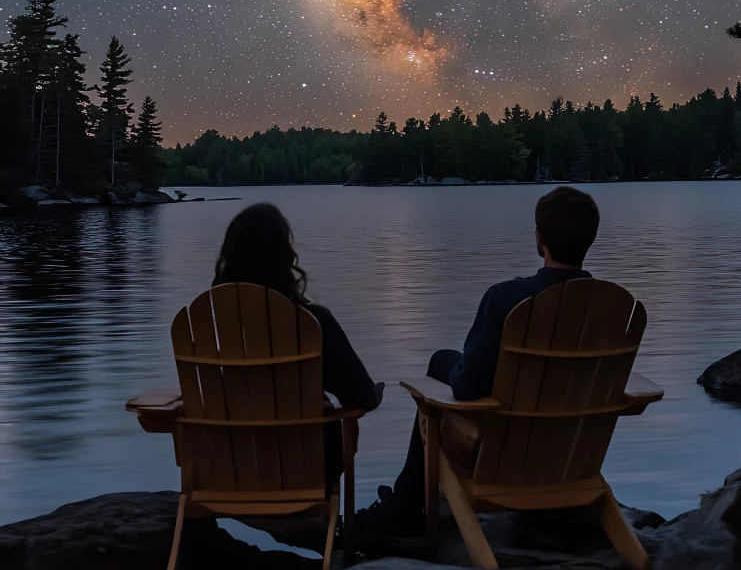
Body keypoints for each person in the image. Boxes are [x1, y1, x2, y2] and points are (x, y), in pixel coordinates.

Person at [354, 185, 600, 545]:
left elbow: (468, 388)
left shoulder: (506, 298)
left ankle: (406, 507)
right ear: (590, 239)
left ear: (539, 239)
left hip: (503, 454)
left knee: (442, 364)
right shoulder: (607, 307)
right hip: (573, 453)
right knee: (445, 361)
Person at [213, 202, 382, 487]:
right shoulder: (313, 322)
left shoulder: (212, 319)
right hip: (309, 462)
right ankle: (331, 527)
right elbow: (360, 398)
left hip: (230, 460)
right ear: (284, 256)